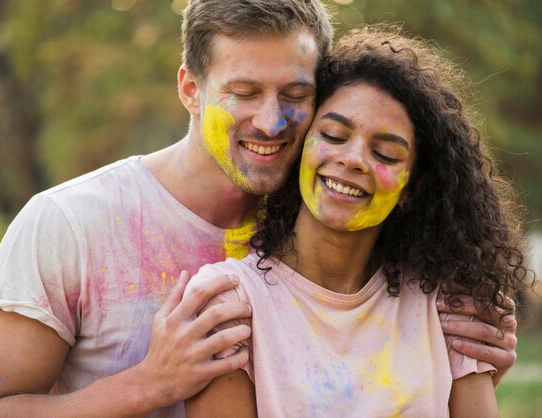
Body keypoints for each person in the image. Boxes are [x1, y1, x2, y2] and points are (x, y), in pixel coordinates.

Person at [0, 2, 518, 417]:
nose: (271, 122)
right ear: (190, 89)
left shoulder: (338, 220)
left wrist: (468, 364)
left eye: (295, 96)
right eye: (244, 92)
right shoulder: (71, 223)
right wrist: (151, 384)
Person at [185, 25, 531, 417]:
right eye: (333, 135)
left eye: (385, 153)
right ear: (301, 147)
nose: (352, 159)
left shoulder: (447, 303)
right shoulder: (228, 305)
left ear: (412, 189)